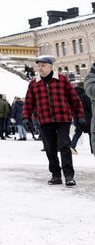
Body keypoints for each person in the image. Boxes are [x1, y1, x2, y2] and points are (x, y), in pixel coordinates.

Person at [22, 55, 84, 186]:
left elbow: (74, 99)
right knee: (50, 149)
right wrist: (26, 117)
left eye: (43, 66)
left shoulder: (62, 80)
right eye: (39, 66)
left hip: (62, 119)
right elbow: (28, 102)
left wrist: (80, 116)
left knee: (64, 146)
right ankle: (56, 175)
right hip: (44, 120)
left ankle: (69, 176)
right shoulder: (34, 83)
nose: (40, 68)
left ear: (51, 67)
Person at [71, 82, 92, 154]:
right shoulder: (85, 95)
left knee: (77, 133)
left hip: (77, 117)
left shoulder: (74, 95)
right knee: (91, 133)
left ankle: (72, 146)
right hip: (87, 118)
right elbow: (89, 107)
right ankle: (92, 149)